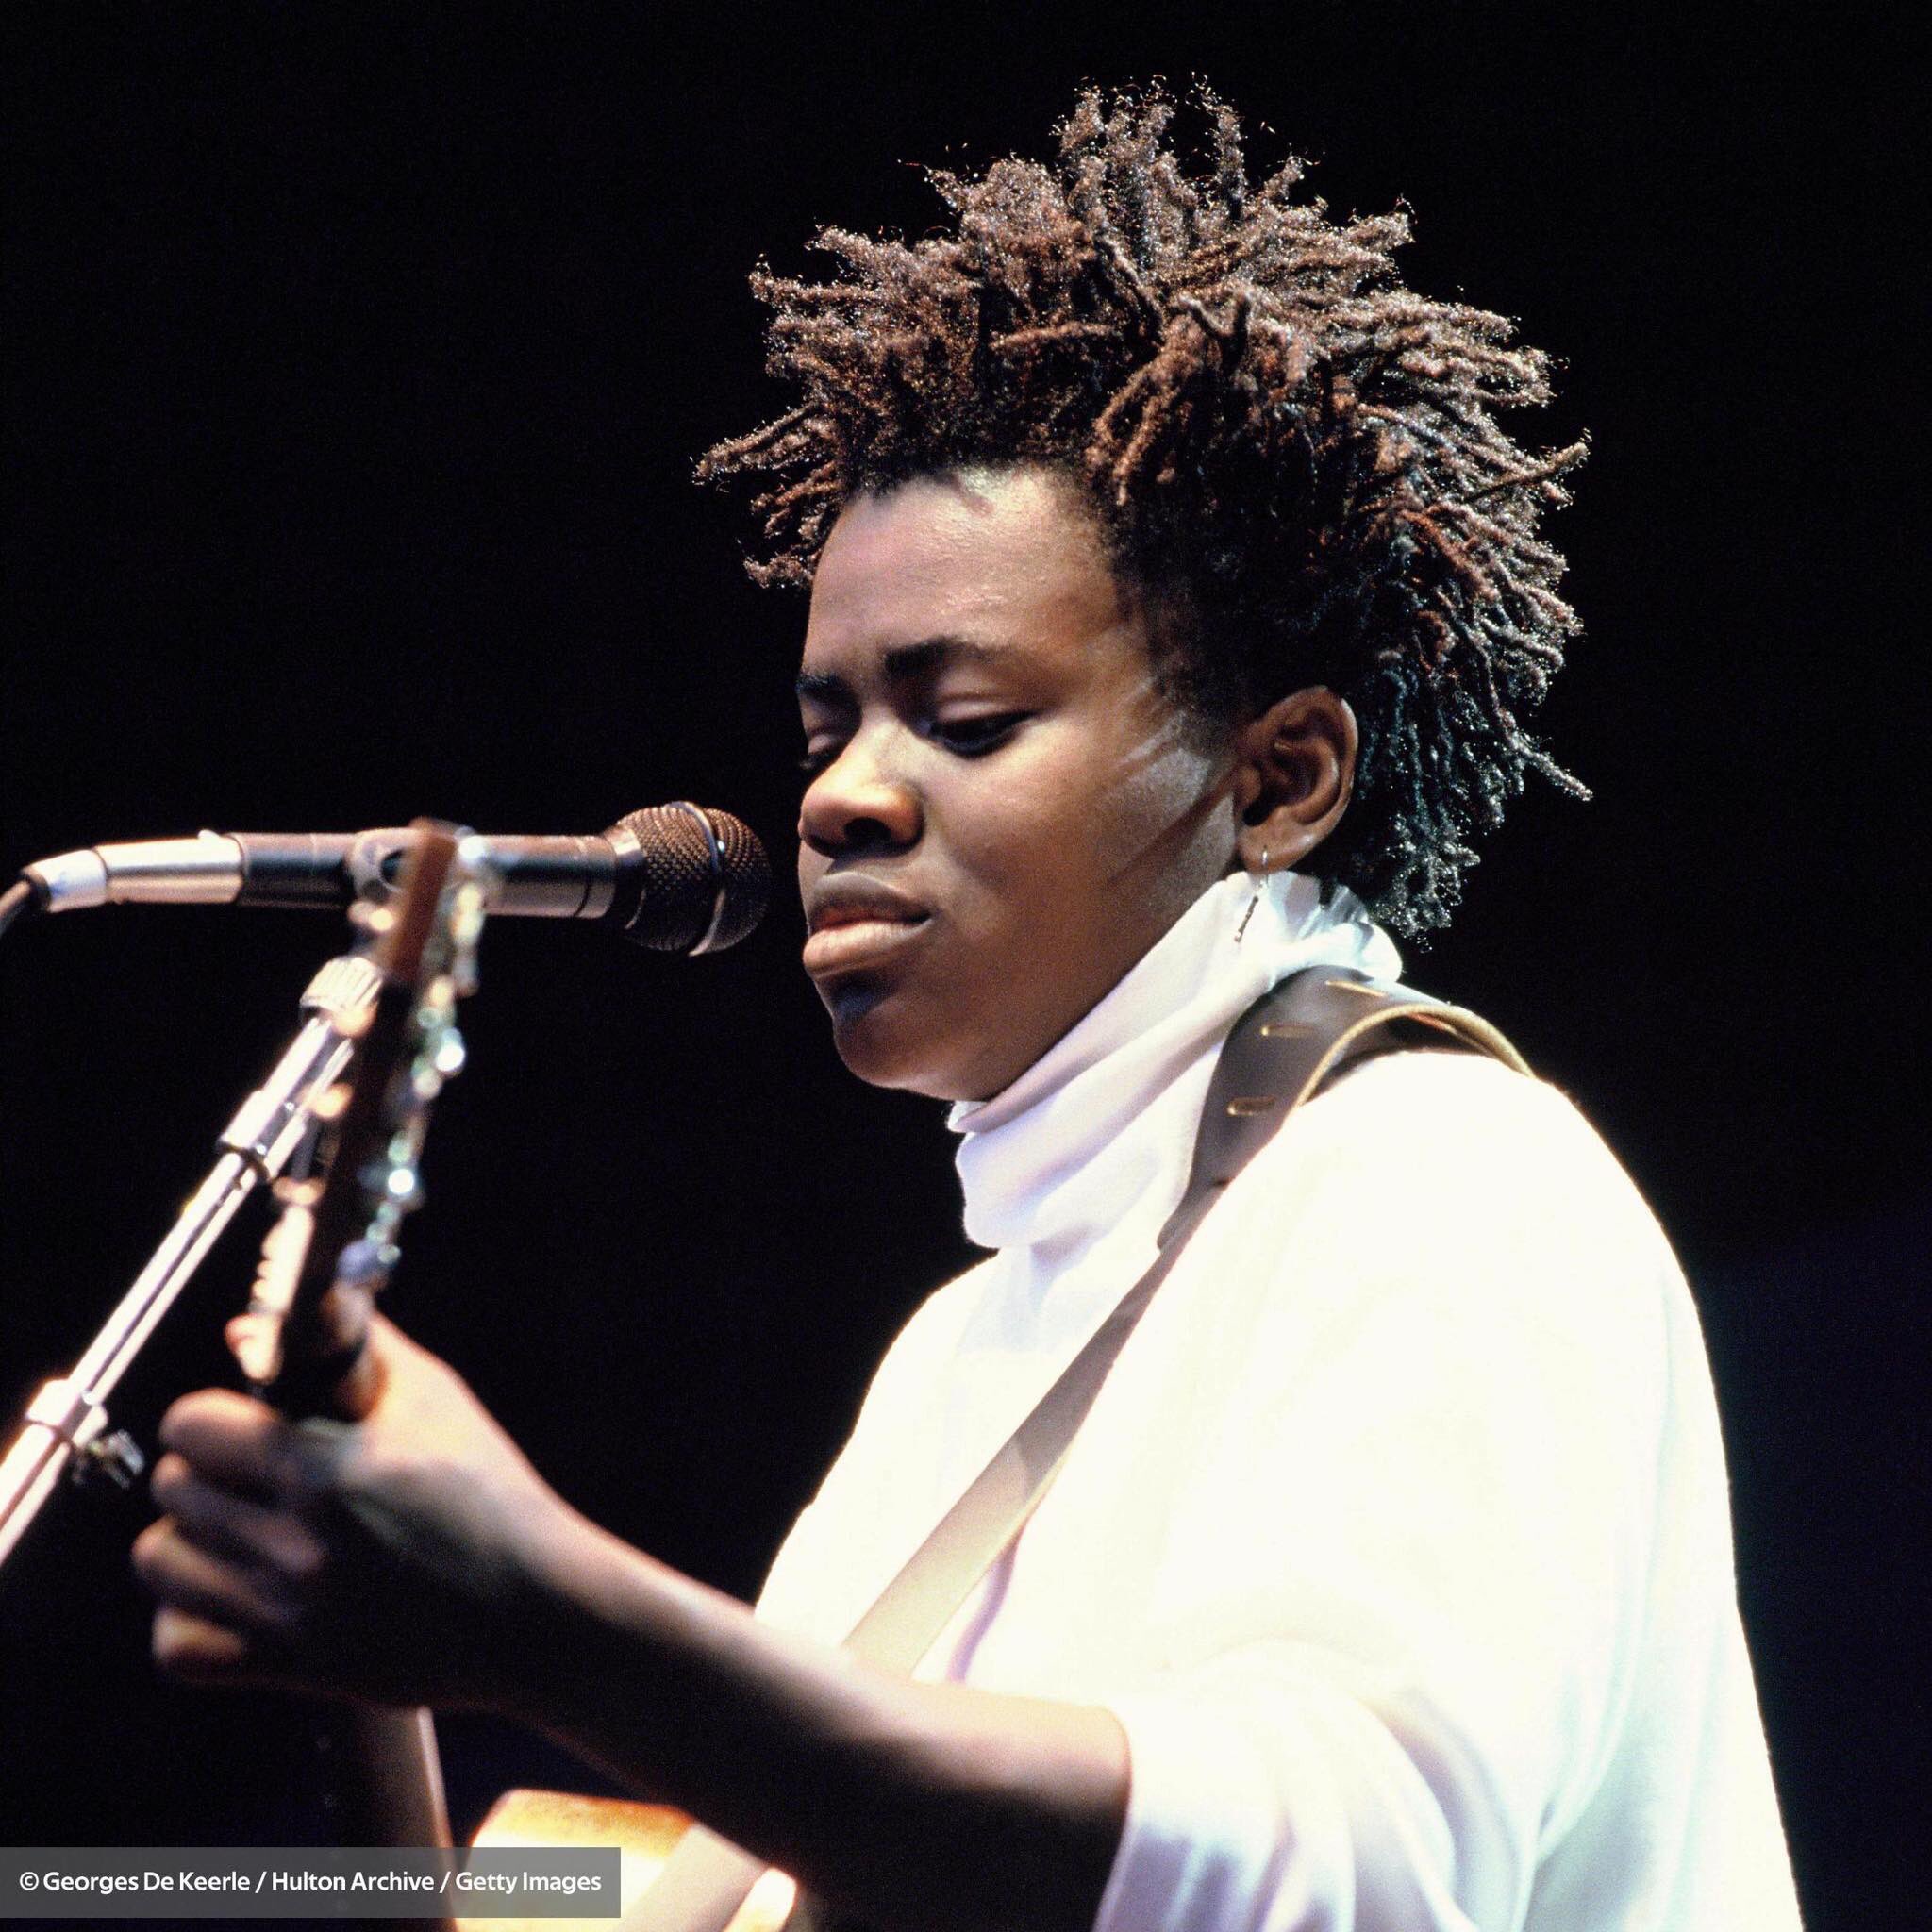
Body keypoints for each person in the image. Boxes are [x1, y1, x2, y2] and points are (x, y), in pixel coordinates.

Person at [133, 89, 1800, 1931]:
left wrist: (550, 1615)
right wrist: (378, 1679)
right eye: (825, 727)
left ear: (1281, 774)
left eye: (966, 719)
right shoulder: (953, 1364)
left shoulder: (1440, 1178)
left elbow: (1345, 1879)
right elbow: (731, 1890)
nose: (842, 795)